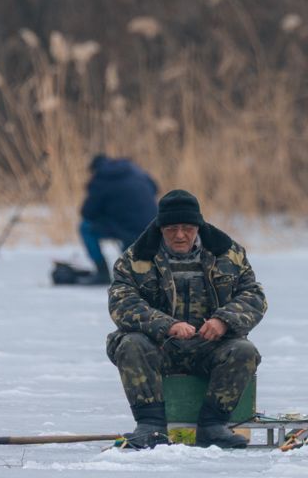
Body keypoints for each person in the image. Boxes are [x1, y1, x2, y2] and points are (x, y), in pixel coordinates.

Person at [105, 190, 267, 449]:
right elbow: (121, 304)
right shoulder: (134, 260)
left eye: (187, 228)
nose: (180, 235)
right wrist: (166, 325)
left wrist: (223, 321)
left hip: (211, 347)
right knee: (130, 344)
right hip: (160, 347)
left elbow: (254, 295)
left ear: (198, 227)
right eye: (171, 229)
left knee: (243, 350)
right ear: (160, 228)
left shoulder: (229, 255)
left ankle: (214, 426)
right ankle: (150, 426)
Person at [78, 155, 158, 285]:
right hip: (153, 226)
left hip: (126, 229)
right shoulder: (137, 171)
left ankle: (102, 273)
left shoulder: (101, 179)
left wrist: (105, 211)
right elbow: (155, 188)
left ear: (94, 169)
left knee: (85, 227)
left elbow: (87, 213)